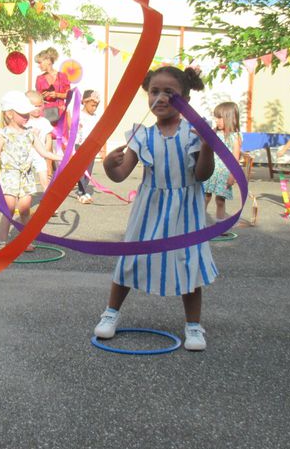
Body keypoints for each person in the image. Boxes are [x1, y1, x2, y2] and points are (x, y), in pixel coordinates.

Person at [93, 66, 216, 352]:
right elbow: (121, 174)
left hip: (186, 210)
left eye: (169, 93)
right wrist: (110, 167)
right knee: (130, 259)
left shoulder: (192, 132)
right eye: (154, 91)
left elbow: (202, 174)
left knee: (189, 262)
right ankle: (110, 313)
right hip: (149, 208)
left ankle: (194, 327)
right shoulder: (142, 134)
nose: (160, 98)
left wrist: (208, 147)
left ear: (185, 97)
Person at [0, 91, 61, 250]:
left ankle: (26, 240)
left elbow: (44, 152)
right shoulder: (3, 134)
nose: (27, 116)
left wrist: (62, 158)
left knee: (24, 210)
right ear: (10, 114)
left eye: (27, 113)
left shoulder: (30, 133)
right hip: (10, 176)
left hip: (26, 176)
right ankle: (2, 241)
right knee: (8, 209)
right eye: (22, 113)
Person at [202, 101, 242, 221]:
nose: (217, 121)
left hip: (223, 174)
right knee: (205, 196)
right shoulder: (214, 133)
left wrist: (232, 175)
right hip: (211, 170)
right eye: (216, 118)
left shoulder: (235, 136)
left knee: (220, 200)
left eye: (220, 118)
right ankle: (198, 223)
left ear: (230, 118)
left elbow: (235, 158)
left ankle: (220, 225)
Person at [74, 89, 103, 203]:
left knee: (89, 170)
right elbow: (72, 128)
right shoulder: (78, 114)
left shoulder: (95, 117)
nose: (94, 108)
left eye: (96, 106)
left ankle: (84, 188)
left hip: (92, 146)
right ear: (84, 102)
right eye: (92, 105)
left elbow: (99, 131)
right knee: (81, 170)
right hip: (80, 145)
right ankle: (82, 192)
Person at [25, 90, 55, 193]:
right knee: (23, 179)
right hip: (26, 154)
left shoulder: (44, 122)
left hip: (40, 154)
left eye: (39, 106)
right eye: (34, 106)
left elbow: (49, 138)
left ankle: (48, 201)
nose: (37, 109)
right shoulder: (24, 122)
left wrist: (46, 152)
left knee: (44, 178)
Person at [34, 46, 70, 125]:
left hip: (61, 112)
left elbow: (69, 95)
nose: (38, 65)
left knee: (61, 136)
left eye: (40, 63)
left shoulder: (62, 76)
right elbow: (37, 99)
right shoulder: (39, 79)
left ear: (48, 61)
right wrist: (42, 97)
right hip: (46, 114)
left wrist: (57, 94)